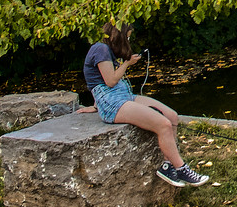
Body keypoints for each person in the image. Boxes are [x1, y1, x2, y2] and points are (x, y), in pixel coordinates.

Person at [78, 23, 210, 187]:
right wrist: (127, 63)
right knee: (163, 124)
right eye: (127, 36)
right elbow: (110, 81)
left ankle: (168, 165)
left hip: (124, 96)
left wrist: (95, 105)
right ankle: (181, 168)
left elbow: (97, 78)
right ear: (118, 34)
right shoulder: (101, 49)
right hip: (113, 103)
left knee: (171, 116)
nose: (128, 39)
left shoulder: (107, 50)